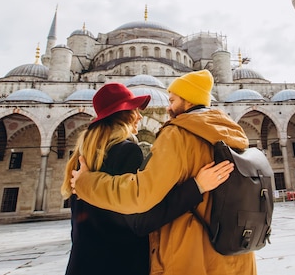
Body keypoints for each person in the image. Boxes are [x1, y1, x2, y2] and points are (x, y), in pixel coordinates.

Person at [71, 70, 257, 275]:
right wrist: (197, 186)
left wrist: (85, 183)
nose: (168, 107)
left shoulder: (177, 134)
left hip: (190, 254)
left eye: (172, 100)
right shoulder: (234, 135)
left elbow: (140, 195)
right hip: (236, 250)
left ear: (188, 101)